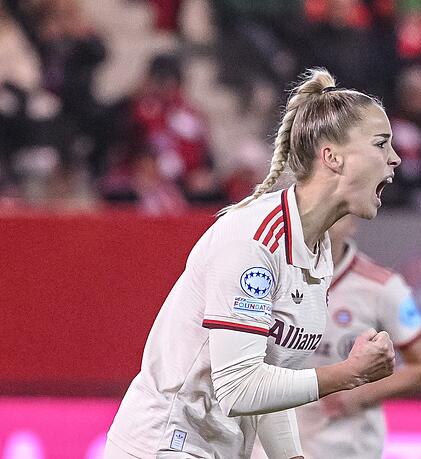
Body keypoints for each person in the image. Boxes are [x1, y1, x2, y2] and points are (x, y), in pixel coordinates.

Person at [105, 68, 402, 458]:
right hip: (164, 443)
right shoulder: (254, 241)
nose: (395, 159)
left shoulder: (315, 249)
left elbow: (270, 382)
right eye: (381, 144)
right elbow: (239, 387)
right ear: (332, 157)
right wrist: (349, 373)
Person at [294, 216, 421, 458]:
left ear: (353, 223)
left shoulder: (383, 286)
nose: (327, 219)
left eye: (338, 212)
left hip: (344, 447)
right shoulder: (271, 275)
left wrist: (358, 395)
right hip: (268, 444)